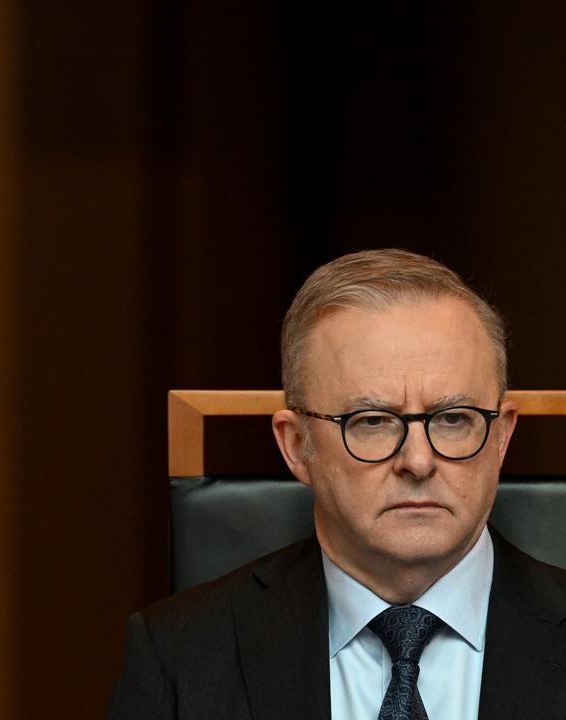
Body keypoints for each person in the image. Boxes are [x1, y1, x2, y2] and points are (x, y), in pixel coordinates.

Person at [108, 249, 566, 719]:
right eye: (371, 421)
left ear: (502, 436)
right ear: (296, 445)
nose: (418, 460)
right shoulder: (177, 656)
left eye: (452, 419)